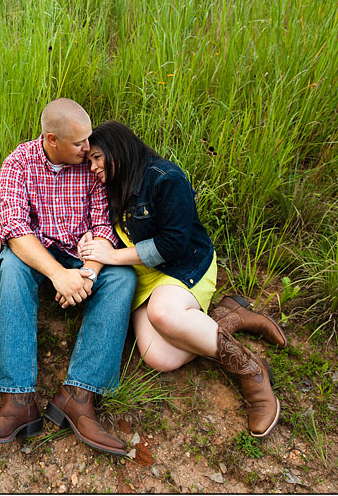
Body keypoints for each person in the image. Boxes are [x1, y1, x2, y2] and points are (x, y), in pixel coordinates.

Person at [77, 120, 287, 438]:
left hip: (183, 266)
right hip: (143, 277)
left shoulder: (164, 178)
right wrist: (89, 238)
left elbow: (173, 244)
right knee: (159, 357)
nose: (92, 167)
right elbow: (101, 224)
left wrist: (113, 257)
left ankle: (251, 372)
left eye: (96, 158)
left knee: (164, 313)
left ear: (117, 149)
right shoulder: (109, 184)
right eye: (89, 161)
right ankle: (227, 317)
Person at [0, 99, 136, 456]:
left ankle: (79, 395)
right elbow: (14, 230)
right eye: (79, 143)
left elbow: (105, 224)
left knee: (123, 278)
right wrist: (58, 275)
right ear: (51, 139)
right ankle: (18, 401)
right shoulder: (19, 163)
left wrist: (87, 275)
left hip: (82, 255)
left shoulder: (90, 165)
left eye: (88, 139)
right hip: (38, 255)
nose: (88, 148)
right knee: (12, 266)